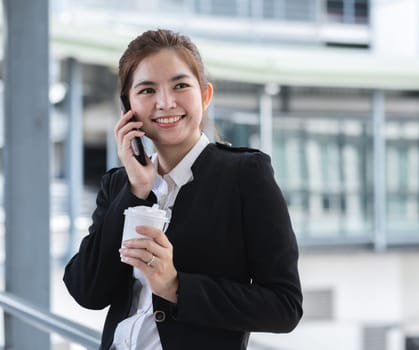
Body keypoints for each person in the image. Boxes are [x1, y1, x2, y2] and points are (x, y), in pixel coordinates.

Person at [63, 29, 303, 350]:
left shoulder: (245, 175)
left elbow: (284, 307)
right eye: (147, 90)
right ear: (128, 108)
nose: (165, 103)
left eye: (180, 85)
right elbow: (87, 291)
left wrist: (176, 287)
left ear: (205, 96)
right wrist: (136, 190)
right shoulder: (119, 184)